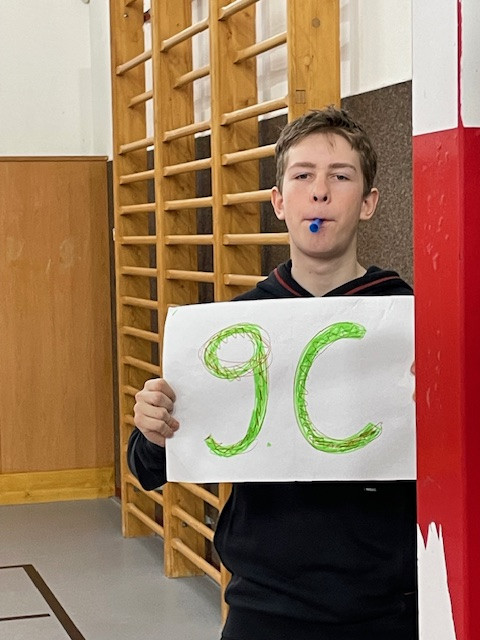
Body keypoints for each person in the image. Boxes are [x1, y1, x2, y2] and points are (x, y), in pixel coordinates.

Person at [128, 106, 417, 640]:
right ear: (279, 202)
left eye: (341, 177)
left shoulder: (409, 318)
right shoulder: (234, 329)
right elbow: (148, 468)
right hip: (263, 606)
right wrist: (152, 427)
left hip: (388, 609)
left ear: (369, 202)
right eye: (303, 176)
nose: (320, 192)